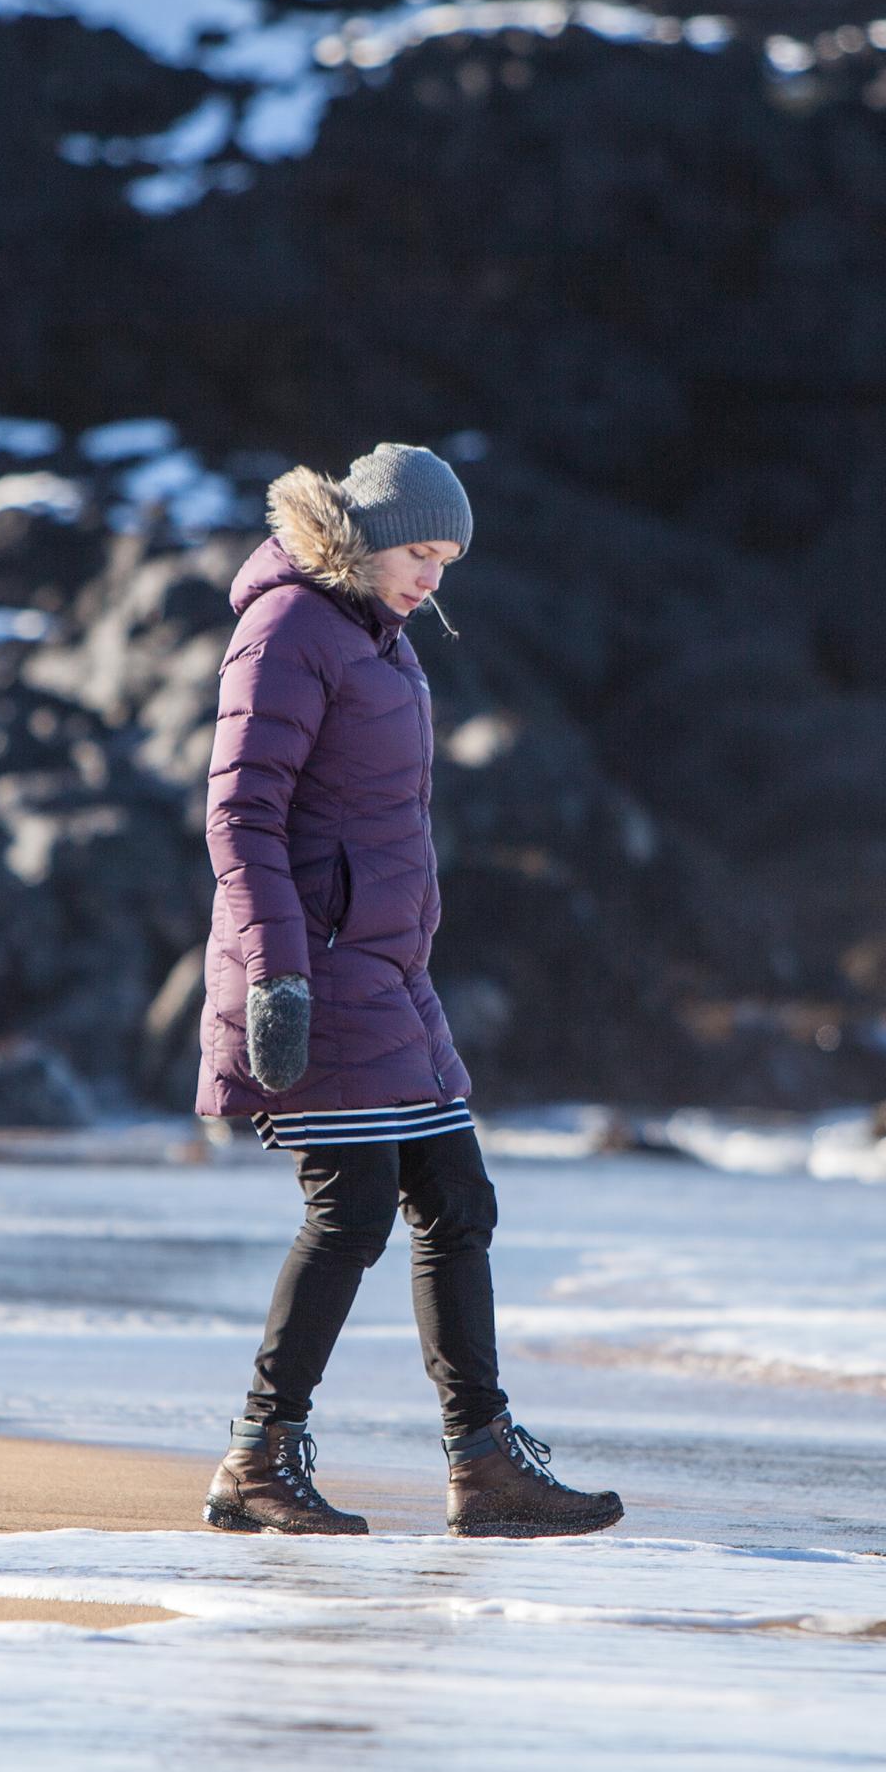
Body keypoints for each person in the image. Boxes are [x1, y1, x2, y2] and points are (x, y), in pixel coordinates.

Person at [191, 442, 624, 1539]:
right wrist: (281, 973)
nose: (433, 577)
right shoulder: (290, 626)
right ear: (370, 538)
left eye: (447, 559)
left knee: (458, 1202)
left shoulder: (377, 636)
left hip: (388, 974)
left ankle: (484, 1463)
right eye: (420, 552)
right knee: (352, 1212)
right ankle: (259, 1454)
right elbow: (240, 815)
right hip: (317, 970)